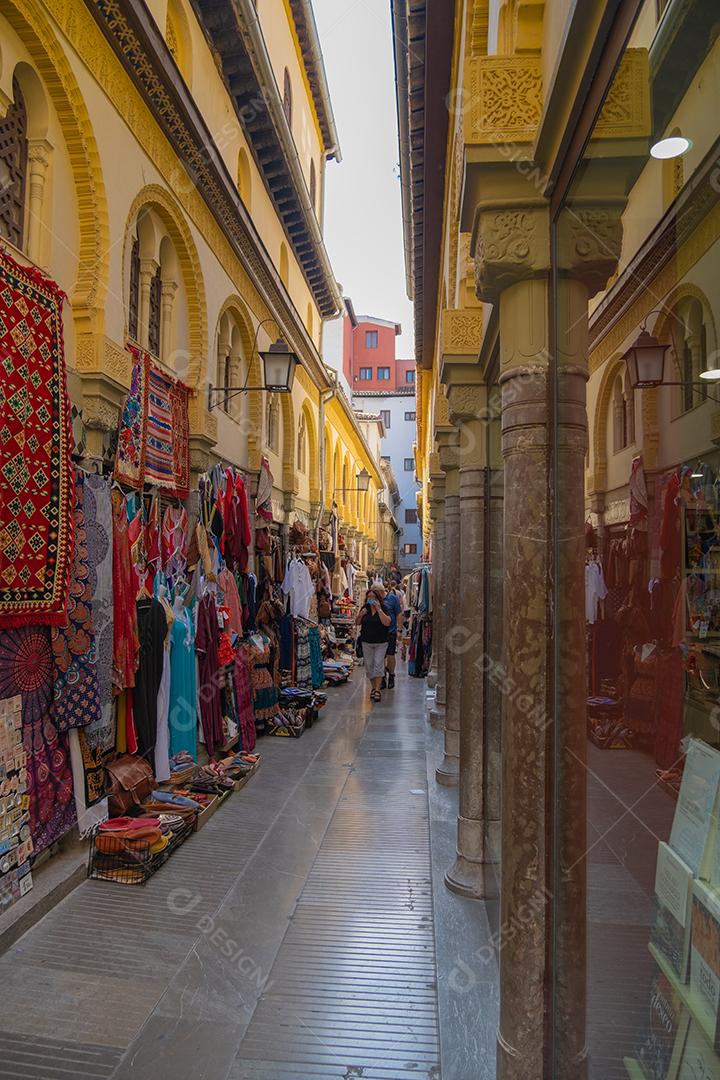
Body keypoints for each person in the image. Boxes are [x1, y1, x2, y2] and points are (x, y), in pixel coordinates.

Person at [356, 587, 391, 702]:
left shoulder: (384, 608)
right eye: (369, 597)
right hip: (367, 641)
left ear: (378, 599)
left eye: (373, 597)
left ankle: (377, 690)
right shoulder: (364, 609)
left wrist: (379, 610)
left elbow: (387, 623)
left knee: (378, 664)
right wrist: (360, 615)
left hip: (381, 642)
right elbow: (357, 623)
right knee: (369, 666)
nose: (371, 599)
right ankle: (373, 687)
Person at [379, 582, 403, 689]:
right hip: (379, 632)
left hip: (391, 631)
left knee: (390, 655)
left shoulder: (393, 598)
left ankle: (391, 675)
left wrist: (399, 630)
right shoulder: (376, 600)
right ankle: (383, 676)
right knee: (380, 656)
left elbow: (399, 614)